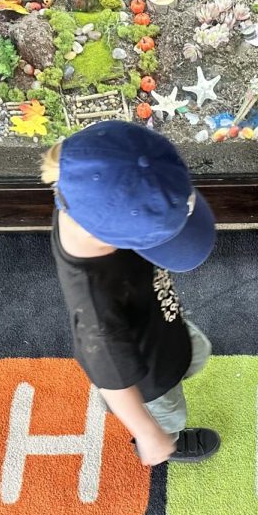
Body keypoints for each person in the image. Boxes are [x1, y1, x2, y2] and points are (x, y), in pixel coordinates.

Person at [41, 120, 221, 466]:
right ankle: (167, 438)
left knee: (194, 352)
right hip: (149, 376)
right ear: (110, 236)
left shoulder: (85, 197)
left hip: (159, 319)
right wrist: (147, 433)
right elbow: (112, 379)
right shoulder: (95, 309)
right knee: (167, 414)